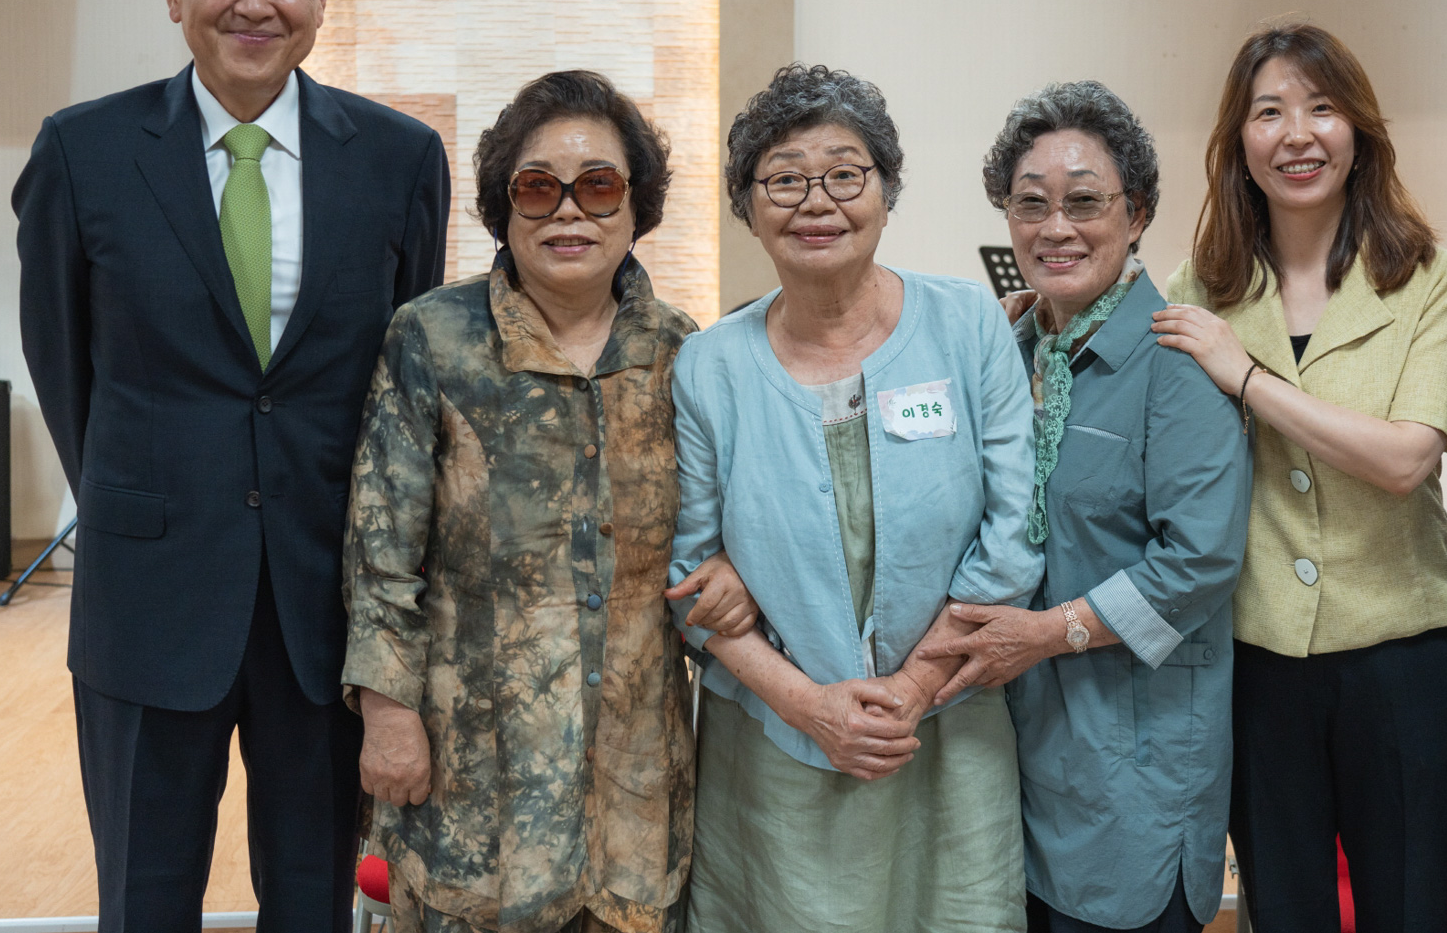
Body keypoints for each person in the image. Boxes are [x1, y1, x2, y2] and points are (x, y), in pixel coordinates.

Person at [14, 0, 449, 930]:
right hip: (148, 596)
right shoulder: (84, 151)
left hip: (326, 601)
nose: (256, 3)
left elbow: (405, 385)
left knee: (315, 899)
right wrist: (141, 502)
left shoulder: (398, 159)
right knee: (144, 894)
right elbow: (65, 369)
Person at [343, 70, 741, 933]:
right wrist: (387, 713)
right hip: (474, 785)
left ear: (635, 206)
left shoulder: (681, 350)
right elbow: (379, 555)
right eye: (537, 187)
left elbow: (720, 529)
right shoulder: (434, 337)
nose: (569, 212)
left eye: (598, 186)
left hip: (635, 782)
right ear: (503, 206)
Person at [666, 64, 1043, 933]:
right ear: (748, 204)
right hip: (775, 748)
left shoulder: (968, 325)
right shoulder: (710, 366)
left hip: (946, 731)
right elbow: (693, 579)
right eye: (785, 179)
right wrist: (813, 708)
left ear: (885, 189)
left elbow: (1015, 532)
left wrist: (909, 689)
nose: (817, 202)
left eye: (844, 173)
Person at [1157, 26, 1447, 931]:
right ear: (1239, 143)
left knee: (1410, 911)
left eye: (1322, 107)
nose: (1297, 133)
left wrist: (1247, 378)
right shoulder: (1199, 287)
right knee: (1285, 912)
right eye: (1269, 112)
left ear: (1360, 132)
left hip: (1408, 655)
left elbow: (1405, 457)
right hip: (1257, 661)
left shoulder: (1434, 279)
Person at [934, 81, 1251, 933]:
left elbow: (1201, 560)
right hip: (1018, 754)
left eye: (1084, 202)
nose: (1056, 228)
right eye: (1030, 204)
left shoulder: (1177, 357)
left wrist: (1044, 634)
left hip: (1134, 757)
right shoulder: (1009, 352)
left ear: (1136, 212)